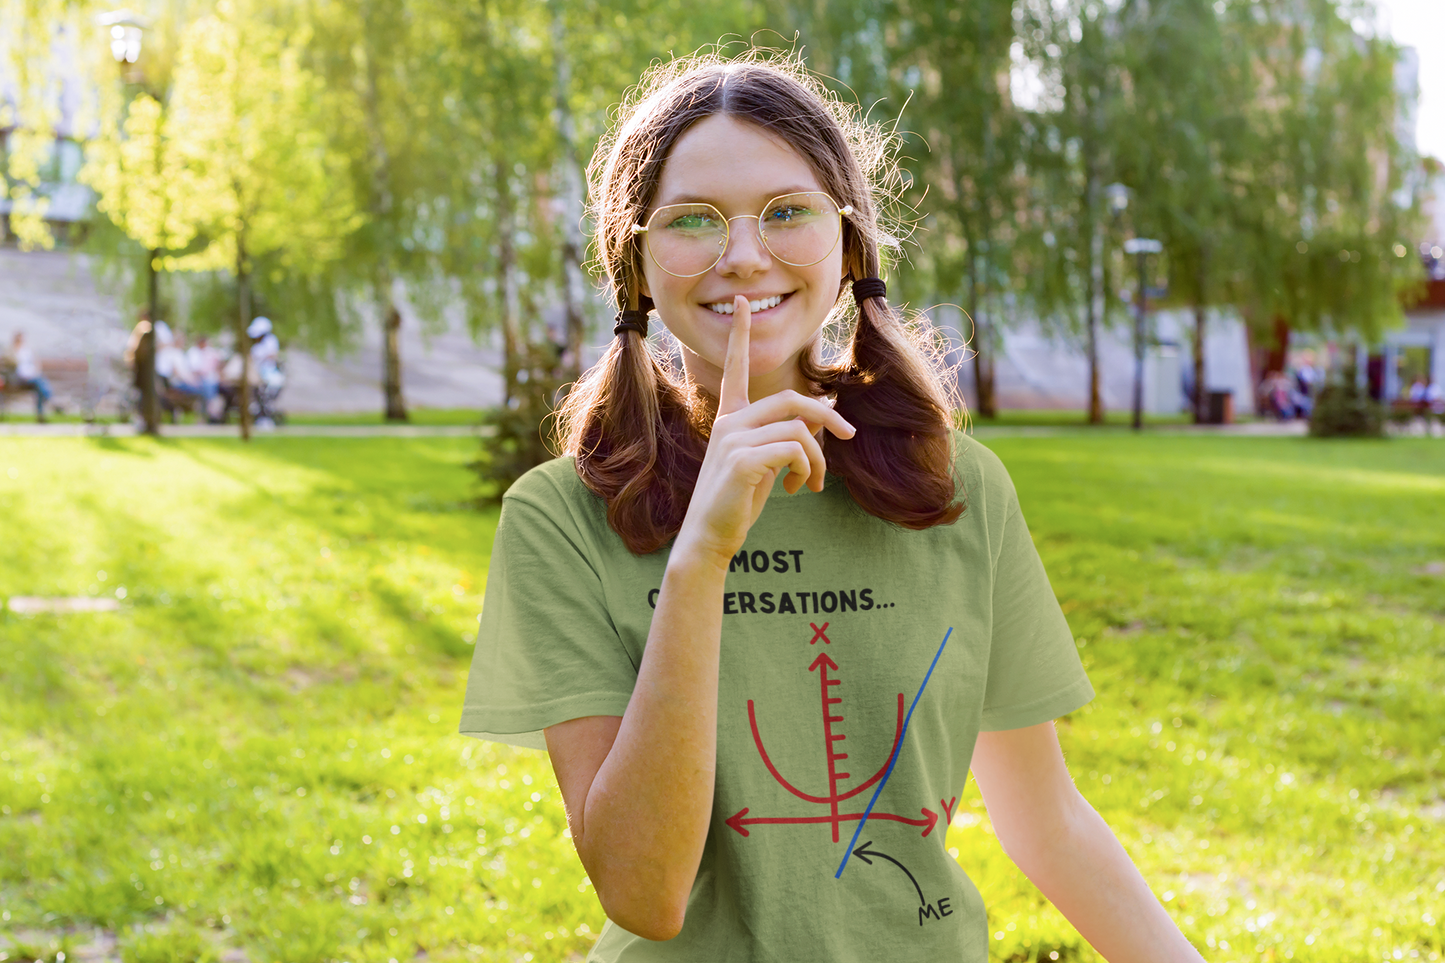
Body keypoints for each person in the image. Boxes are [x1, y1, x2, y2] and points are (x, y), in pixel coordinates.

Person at [459, 55, 1205, 961]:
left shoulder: (954, 487)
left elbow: (1046, 819)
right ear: (638, 266)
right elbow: (643, 891)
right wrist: (702, 553)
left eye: (787, 212)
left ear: (849, 246)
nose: (743, 254)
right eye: (692, 220)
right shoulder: (562, 517)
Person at [9, 332, 52, 422]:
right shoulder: (11, 352)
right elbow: (11, 367)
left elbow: (36, 363)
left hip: (32, 376)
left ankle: (40, 415)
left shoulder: (27, 351)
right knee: (40, 383)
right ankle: (48, 396)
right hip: (20, 379)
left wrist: (36, 371)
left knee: (39, 387)